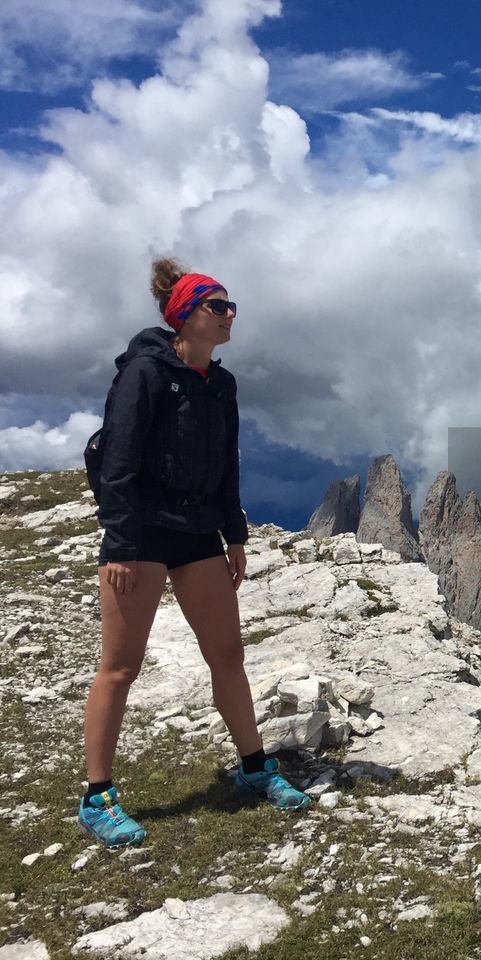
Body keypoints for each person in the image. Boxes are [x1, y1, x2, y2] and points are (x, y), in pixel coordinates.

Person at [80, 258, 309, 849]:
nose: (230, 315)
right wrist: (121, 544)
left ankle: (254, 767)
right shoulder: (144, 374)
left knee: (228, 654)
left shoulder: (222, 384)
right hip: (145, 535)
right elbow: (120, 461)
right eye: (217, 307)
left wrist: (235, 536)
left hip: (199, 533)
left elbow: (227, 465)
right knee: (121, 666)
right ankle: (97, 797)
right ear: (185, 315)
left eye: (231, 306)